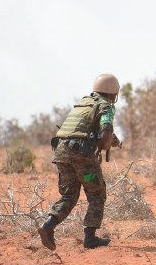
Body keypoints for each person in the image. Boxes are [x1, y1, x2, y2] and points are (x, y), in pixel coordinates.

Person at [37, 74, 121, 251]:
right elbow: (105, 133)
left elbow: (84, 131)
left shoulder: (84, 103)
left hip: (61, 154)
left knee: (70, 195)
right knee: (97, 193)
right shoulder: (106, 106)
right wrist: (106, 144)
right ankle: (90, 239)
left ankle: (48, 226)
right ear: (113, 93)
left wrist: (114, 141)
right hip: (81, 157)